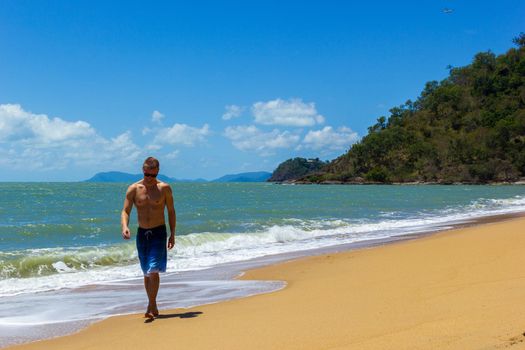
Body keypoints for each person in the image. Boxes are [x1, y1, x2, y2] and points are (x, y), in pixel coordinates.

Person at [121, 156, 176, 319]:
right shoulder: (134, 189)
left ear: (157, 172)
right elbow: (125, 211)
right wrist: (125, 226)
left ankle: (151, 306)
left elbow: (171, 211)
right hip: (142, 234)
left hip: (159, 232)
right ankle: (153, 304)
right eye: (147, 175)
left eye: (153, 175)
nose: (149, 178)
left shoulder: (164, 188)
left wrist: (172, 234)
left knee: (153, 270)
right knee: (146, 272)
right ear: (143, 171)